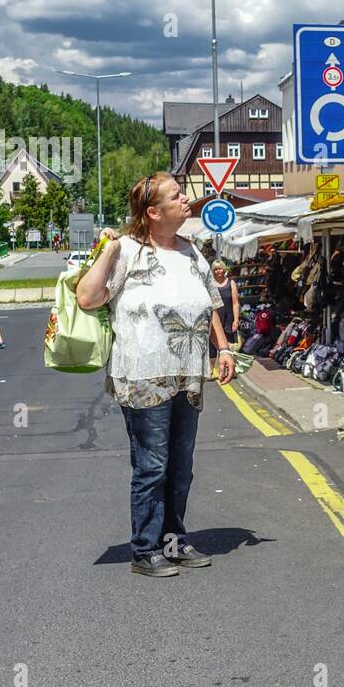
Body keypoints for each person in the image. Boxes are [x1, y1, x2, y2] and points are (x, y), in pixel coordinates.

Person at [76, 173, 237, 578]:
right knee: (152, 464)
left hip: (188, 374)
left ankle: (173, 540)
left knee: (181, 464)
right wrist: (108, 249)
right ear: (152, 212)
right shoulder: (127, 250)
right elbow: (87, 297)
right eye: (177, 196)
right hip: (142, 374)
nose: (187, 200)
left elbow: (208, 304)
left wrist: (224, 347)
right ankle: (145, 549)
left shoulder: (192, 252)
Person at [210, 260, 240, 358]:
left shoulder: (231, 283)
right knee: (212, 346)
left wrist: (236, 320)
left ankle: (228, 368)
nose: (218, 271)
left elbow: (235, 303)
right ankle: (214, 369)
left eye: (220, 268)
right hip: (214, 317)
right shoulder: (210, 284)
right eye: (215, 269)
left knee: (228, 346)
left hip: (228, 318)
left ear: (224, 269)